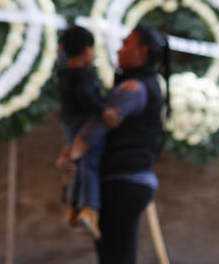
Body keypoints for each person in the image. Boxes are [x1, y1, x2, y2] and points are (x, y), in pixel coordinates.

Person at [59, 25, 171, 264]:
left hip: (124, 183)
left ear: (142, 51)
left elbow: (96, 127)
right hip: (128, 182)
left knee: (116, 256)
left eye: (126, 44)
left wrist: (74, 151)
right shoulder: (142, 84)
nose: (119, 51)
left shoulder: (134, 88)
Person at [55, 25, 103, 237]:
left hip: (67, 122)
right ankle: (90, 207)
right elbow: (87, 96)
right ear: (87, 50)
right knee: (89, 162)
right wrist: (103, 110)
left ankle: (74, 207)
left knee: (79, 164)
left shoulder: (64, 72)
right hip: (83, 123)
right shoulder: (84, 74)